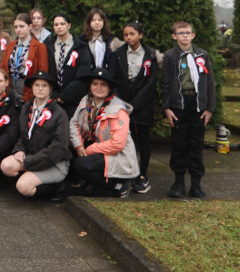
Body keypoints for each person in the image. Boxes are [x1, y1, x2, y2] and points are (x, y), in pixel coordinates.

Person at [161, 21, 215, 199]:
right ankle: (178, 183)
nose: (184, 36)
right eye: (180, 33)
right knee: (179, 144)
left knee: (196, 145)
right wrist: (167, 107)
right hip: (179, 105)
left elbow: (210, 84)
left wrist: (210, 108)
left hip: (198, 105)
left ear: (193, 35)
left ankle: (196, 185)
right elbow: (166, 84)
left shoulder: (202, 55)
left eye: (188, 33)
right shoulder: (170, 56)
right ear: (174, 36)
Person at [0, 71, 70, 202]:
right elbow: (22, 136)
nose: (40, 88)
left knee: (23, 187)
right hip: (32, 158)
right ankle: (32, 178)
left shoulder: (59, 113)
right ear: (32, 88)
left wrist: (31, 162)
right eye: (37, 85)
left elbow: (58, 147)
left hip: (53, 163)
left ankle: (56, 187)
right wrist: (20, 150)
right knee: (6, 165)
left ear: (50, 89)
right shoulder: (27, 107)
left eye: (44, 85)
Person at [68, 68, 140, 198]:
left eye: (103, 84)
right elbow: (73, 123)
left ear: (109, 88)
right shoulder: (86, 101)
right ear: (90, 86)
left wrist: (90, 150)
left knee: (81, 164)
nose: (98, 87)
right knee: (70, 153)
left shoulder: (118, 109)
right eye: (95, 84)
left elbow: (118, 144)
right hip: (97, 148)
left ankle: (116, 184)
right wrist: (78, 146)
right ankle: (95, 184)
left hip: (118, 155)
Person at [110, 22, 158, 194]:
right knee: (123, 139)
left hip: (142, 103)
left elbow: (151, 83)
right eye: (126, 35)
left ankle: (142, 174)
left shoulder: (150, 54)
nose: (129, 38)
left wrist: (135, 104)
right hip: (122, 102)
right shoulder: (118, 54)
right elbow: (114, 78)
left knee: (143, 138)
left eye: (132, 34)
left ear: (140, 35)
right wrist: (121, 103)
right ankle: (124, 173)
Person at [0, 13, 49, 100]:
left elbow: (43, 71)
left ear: (30, 26)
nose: (18, 30)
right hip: (11, 90)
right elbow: (4, 67)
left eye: (21, 26)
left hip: (29, 90)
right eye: (16, 27)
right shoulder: (11, 46)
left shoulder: (39, 47)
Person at [43, 13, 85, 115]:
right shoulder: (47, 45)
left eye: (62, 24)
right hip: (52, 98)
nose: (59, 27)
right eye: (56, 24)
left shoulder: (80, 47)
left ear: (68, 25)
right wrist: (54, 94)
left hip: (72, 100)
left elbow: (82, 74)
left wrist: (64, 96)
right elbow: (45, 71)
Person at [76, 8, 117, 73]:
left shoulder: (110, 40)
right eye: (93, 20)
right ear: (89, 22)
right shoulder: (82, 41)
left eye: (100, 20)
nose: (97, 23)